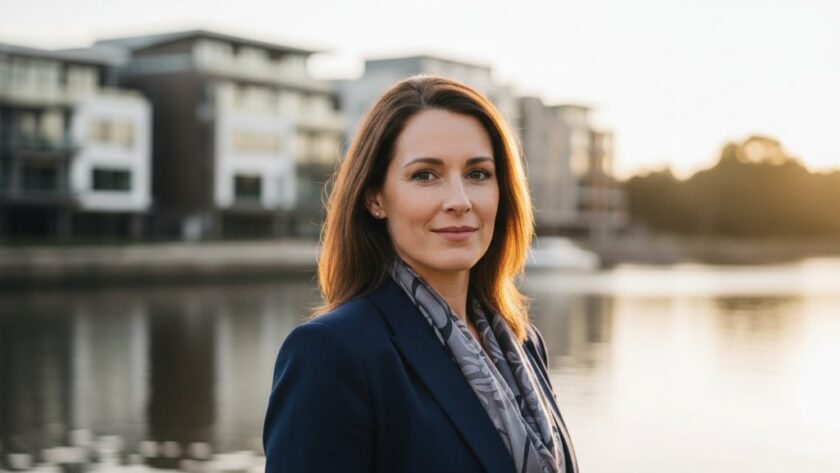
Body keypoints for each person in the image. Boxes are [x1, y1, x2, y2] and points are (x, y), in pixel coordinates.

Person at [263, 75, 578, 473]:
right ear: (375, 198)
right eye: (425, 175)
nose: (459, 201)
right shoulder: (332, 354)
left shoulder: (523, 343)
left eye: (478, 174)